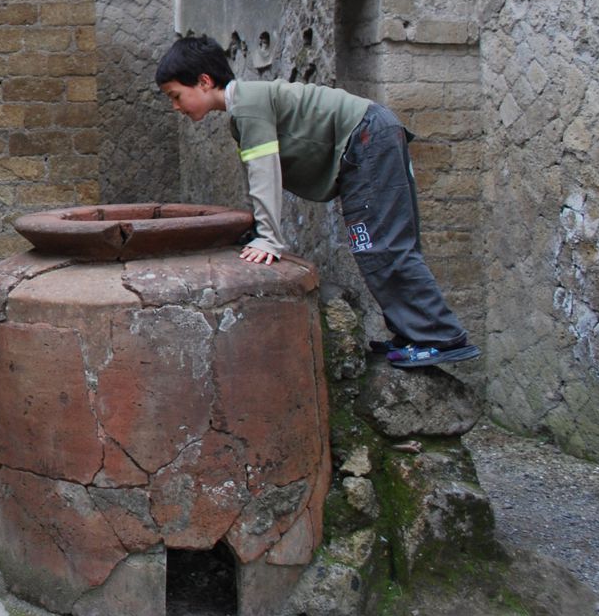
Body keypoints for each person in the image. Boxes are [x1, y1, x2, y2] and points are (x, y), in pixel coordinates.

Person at [154, 35, 478, 369]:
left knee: (380, 246)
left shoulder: (248, 105)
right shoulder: (246, 108)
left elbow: (265, 175)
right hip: (371, 134)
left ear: (204, 82)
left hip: (367, 138)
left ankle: (441, 337)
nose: (176, 107)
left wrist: (269, 237)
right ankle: (413, 333)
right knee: (380, 246)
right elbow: (261, 174)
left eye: (176, 96)